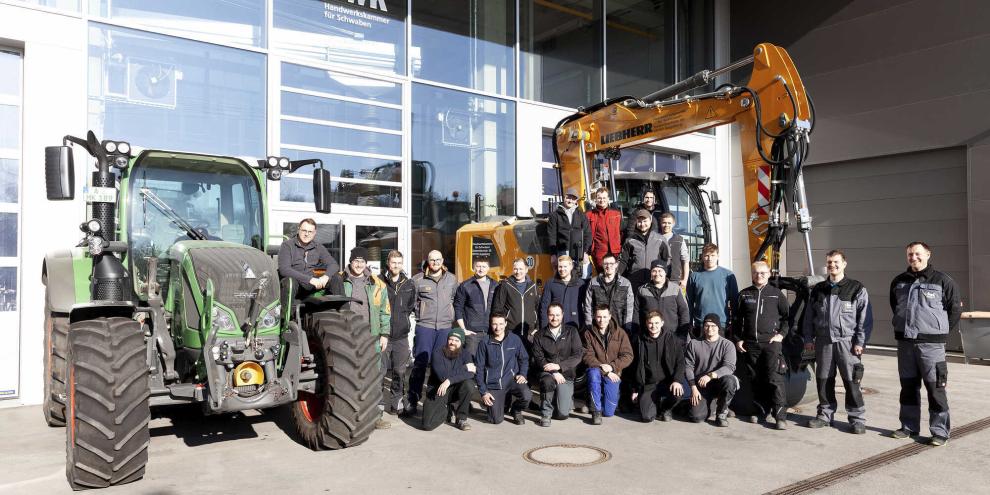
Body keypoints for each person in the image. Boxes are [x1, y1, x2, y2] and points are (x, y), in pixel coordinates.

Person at [889, 242, 961, 446]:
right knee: (908, 387)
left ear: (928, 254)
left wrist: (938, 331)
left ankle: (939, 432)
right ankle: (908, 427)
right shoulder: (899, 281)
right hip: (905, 344)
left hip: (932, 346)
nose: (914, 258)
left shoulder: (942, 280)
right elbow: (895, 306)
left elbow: (954, 309)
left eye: (918, 254)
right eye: (910, 254)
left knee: (935, 387)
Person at [802, 250, 870, 434]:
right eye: (830, 262)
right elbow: (809, 316)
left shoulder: (856, 288)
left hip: (847, 342)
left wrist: (860, 342)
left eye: (836, 262)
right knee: (824, 380)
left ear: (844, 264)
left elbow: (865, 318)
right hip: (823, 342)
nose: (833, 265)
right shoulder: (819, 289)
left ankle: (857, 419)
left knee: (851, 381)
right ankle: (825, 415)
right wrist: (808, 338)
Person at [328, 247, 391, 430]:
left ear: (366, 264)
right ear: (350, 261)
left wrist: (384, 334)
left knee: (373, 376)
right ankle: (350, 416)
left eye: (362, 261)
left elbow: (384, 311)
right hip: (346, 335)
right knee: (347, 376)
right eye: (356, 261)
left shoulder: (377, 283)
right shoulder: (338, 280)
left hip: (371, 335)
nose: (359, 264)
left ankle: (375, 415)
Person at [732, 261, 790, 429]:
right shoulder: (744, 294)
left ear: (769, 274)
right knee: (755, 378)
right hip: (751, 344)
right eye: (756, 273)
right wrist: (738, 338)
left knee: (774, 378)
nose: (759, 276)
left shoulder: (777, 294)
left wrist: (781, 335)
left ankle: (780, 416)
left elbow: (787, 318)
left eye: (763, 273)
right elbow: (736, 320)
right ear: (752, 274)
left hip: (771, 343)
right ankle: (759, 411)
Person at [404, 250, 458, 417]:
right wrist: (421, 314)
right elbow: (411, 303)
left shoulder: (452, 279)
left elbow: (455, 300)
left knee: (442, 366)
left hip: (444, 328)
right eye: (432, 260)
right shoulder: (417, 280)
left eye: (438, 260)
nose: (435, 262)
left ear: (442, 261)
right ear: (427, 261)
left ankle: (440, 403)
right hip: (425, 327)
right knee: (420, 364)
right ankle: (413, 400)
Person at [531, 303, 584, 427]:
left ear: (563, 315)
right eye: (551, 315)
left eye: (557, 315)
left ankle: (562, 399)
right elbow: (539, 359)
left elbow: (578, 355)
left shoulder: (572, 332)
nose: (555, 318)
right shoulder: (539, 335)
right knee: (548, 381)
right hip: (547, 372)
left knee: (562, 414)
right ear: (547, 315)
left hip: (566, 374)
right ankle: (546, 413)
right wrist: (554, 372)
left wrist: (559, 367)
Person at [475, 312, 532, 425]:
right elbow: (479, 369)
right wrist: (483, 392)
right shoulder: (484, 343)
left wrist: (523, 374)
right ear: (491, 325)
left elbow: (524, 359)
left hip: (512, 379)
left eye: (501, 324)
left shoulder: (514, 339)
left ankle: (516, 410)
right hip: (494, 383)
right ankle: (496, 405)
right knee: (495, 420)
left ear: (506, 323)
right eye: (494, 324)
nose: (498, 327)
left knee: (527, 395)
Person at [582, 304, 634, 425]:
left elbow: (628, 355)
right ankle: (595, 411)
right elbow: (587, 356)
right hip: (596, 369)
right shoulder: (588, 333)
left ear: (610, 316)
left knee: (609, 412)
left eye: (605, 316)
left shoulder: (620, 333)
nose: (602, 320)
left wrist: (612, 367)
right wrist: (604, 369)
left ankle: (592, 399)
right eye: (599, 317)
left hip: (614, 372)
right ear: (594, 317)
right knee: (593, 375)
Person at [685, 314, 739, 426]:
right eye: (707, 325)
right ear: (703, 327)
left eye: (713, 326)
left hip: (720, 383)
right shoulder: (694, 344)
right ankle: (713, 404)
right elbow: (688, 366)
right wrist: (693, 388)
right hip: (701, 386)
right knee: (696, 417)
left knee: (730, 380)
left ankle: (721, 413)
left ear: (719, 327)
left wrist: (710, 375)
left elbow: (729, 367)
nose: (710, 329)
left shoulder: (728, 345)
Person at [631, 311, 685, 423]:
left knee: (677, 393)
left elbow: (680, 362)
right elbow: (634, 365)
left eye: (656, 323)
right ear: (646, 323)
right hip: (649, 384)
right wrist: (635, 389)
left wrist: (677, 381)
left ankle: (664, 409)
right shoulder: (639, 340)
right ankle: (653, 405)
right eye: (650, 323)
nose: (653, 326)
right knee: (646, 417)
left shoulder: (673, 339)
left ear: (662, 323)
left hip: (667, 383)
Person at [420, 328, 477, 431]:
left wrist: (449, 381)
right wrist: (464, 368)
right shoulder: (437, 353)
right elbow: (443, 376)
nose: (452, 343)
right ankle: (447, 410)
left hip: (455, 390)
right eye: (451, 339)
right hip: (439, 389)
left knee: (469, 385)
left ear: (462, 342)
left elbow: (471, 374)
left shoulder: (466, 354)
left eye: (456, 340)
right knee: (427, 425)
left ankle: (461, 418)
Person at [382, 250, 416, 415]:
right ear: (388, 263)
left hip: (401, 337)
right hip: (382, 336)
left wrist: (402, 322)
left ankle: (397, 404)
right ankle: (378, 406)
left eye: (399, 263)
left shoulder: (409, 284)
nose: (396, 266)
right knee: (379, 372)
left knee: (400, 372)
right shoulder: (380, 282)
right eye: (393, 262)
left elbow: (410, 307)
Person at [277, 218, 339, 297]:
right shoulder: (287, 245)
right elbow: (284, 269)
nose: (307, 234)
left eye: (310, 232)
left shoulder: (318, 247)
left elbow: (333, 264)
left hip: (311, 286)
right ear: (298, 230)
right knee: (290, 281)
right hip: (295, 285)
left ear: (314, 233)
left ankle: (342, 309)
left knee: (337, 278)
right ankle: (288, 309)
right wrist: (310, 280)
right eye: (304, 230)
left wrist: (326, 276)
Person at [686, 243, 739, 336]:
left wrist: (734, 324)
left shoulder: (728, 275)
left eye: (713, 255)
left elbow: (735, 302)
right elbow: (689, 302)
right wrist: (689, 323)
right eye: (706, 255)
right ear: (702, 257)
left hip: (721, 324)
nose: (709, 258)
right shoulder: (694, 276)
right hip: (701, 324)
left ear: (718, 256)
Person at [635, 260, 690, 340]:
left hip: (672, 337)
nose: (657, 274)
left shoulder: (675, 289)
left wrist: (682, 334)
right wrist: (637, 333)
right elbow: (636, 312)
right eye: (654, 271)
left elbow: (684, 311)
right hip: (648, 336)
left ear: (665, 273)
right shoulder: (642, 290)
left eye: (660, 271)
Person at [454, 258, 497, 356]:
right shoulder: (465, 285)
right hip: (472, 333)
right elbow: (458, 308)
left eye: (484, 266)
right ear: (473, 268)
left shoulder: (495, 285)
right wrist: (464, 330)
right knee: (471, 362)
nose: (481, 269)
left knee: (488, 363)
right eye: (478, 266)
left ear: (488, 268)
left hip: (490, 331)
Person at [492, 258, 540, 344]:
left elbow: (538, 308)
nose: (518, 272)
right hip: (510, 332)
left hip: (529, 333)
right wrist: (501, 328)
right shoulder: (505, 285)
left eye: (521, 269)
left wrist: (537, 328)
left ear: (526, 270)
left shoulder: (533, 287)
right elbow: (497, 308)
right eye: (515, 269)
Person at [583, 253, 635, 332]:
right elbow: (588, 306)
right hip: (597, 328)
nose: (608, 266)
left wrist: (627, 328)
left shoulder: (626, 283)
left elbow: (629, 309)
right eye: (606, 264)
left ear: (616, 265)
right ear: (602, 265)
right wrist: (589, 325)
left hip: (619, 328)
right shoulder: (593, 282)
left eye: (611, 263)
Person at [618, 208, 667, 289]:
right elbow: (623, 260)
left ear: (650, 220)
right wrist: (617, 276)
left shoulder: (660, 239)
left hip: (654, 280)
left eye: (645, 221)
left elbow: (667, 259)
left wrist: (664, 276)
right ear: (636, 222)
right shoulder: (630, 240)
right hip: (634, 280)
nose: (642, 224)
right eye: (639, 221)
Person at [547, 187, 592, 276]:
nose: (570, 200)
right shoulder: (555, 215)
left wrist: (586, 252)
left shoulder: (581, 215)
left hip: (579, 251)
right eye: (568, 197)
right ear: (564, 198)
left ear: (576, 201)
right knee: (563, 278)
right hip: (563, 251)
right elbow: (551, 235)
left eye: (573, 198)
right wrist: (553, 254)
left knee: (583, 277)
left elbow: (588, 234)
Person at [538, 255, 586, 330]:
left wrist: (584, 325)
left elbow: (586, 306)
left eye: (565, 266)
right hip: (555, 326)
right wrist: (544, 328)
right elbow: (544, 307)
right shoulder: (550, 283)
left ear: (571, 266)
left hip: (575, 326)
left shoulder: (580, 284)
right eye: (560, 267)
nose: (562, 269)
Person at [586, 187, 622, 272]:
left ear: (608, 199)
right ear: (595, 199)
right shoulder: (589, 215)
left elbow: (622, 231)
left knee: (615, 276)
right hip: (599, 253)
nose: (602, 200)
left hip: (615, 251)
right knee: (602, 276)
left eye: (604, 198)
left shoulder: (616, 214)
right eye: (599, 198)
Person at [657, 212, 690, 288]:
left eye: (669, 223)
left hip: (674, 280)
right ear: (660, 223)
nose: (666, 225)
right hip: (657, 279)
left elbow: (685, 261)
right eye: (664, 223)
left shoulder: (679, 240)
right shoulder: (655, 239)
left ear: (673, 223)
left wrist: (684, 280)